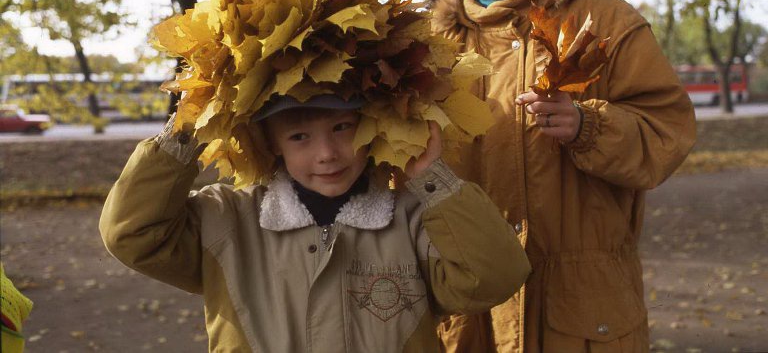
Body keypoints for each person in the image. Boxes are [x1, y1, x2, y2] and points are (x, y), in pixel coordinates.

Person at [396, 0, 696, 352]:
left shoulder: (599, 15)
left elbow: (667, 131)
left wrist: (588, 125)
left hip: (584, 313)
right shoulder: (426, 49)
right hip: (473, 313)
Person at [99, 92, 532, 352]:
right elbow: (133, 233)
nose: (326, 153)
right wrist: (184, 135)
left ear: (373, 128)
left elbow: (493, 277)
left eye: (343, 127)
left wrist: (431, 179)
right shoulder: (227, 219)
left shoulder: (414, 218)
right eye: (300, 136)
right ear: (271, 142)